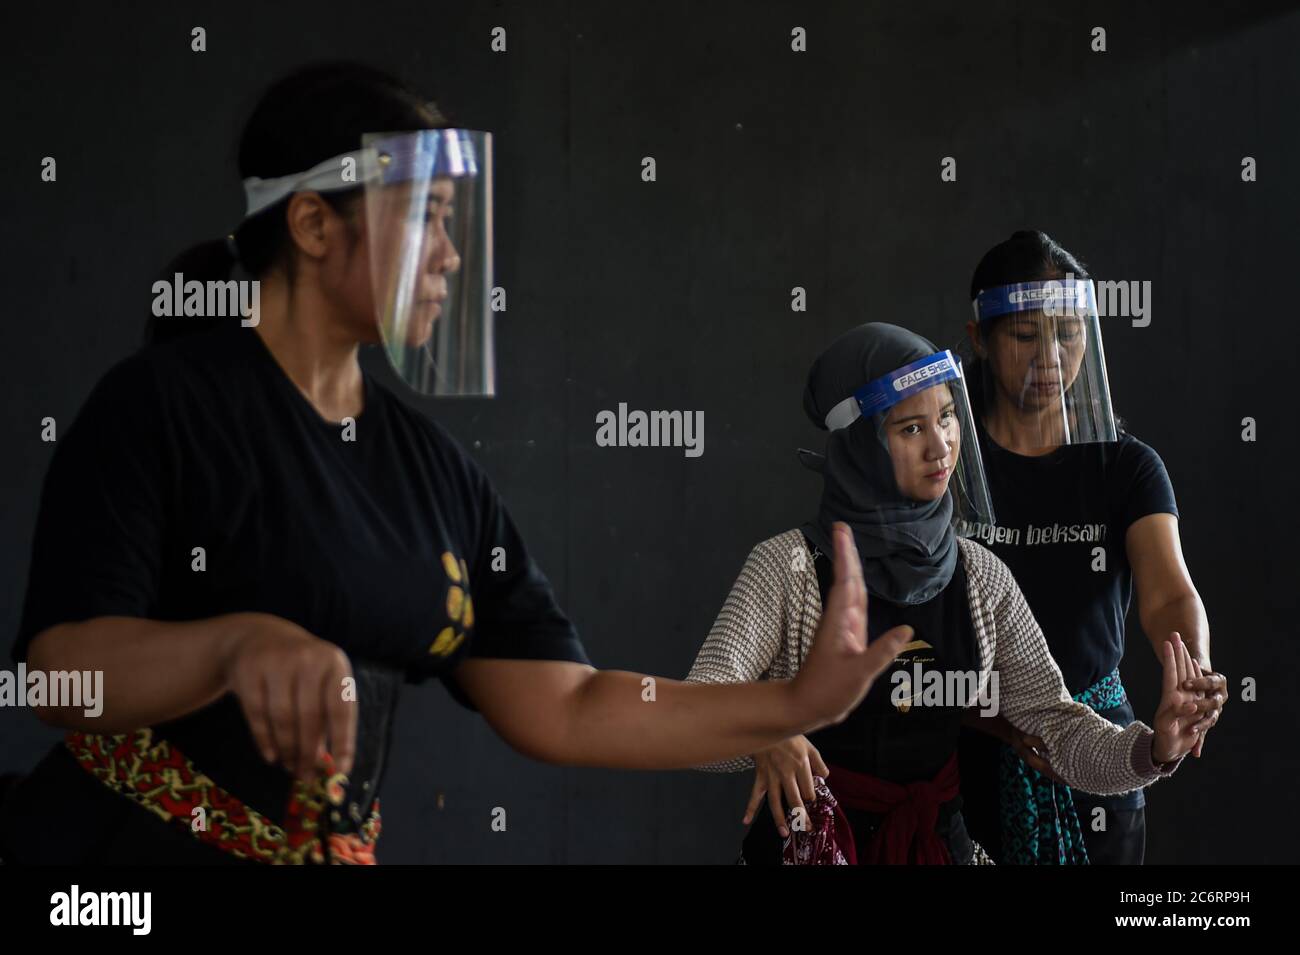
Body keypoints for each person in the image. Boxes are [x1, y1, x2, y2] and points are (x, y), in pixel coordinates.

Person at [0, 62, 901, 865]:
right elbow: (57, 672)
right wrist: (229, 646)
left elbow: (567, 704)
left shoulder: (426, 470)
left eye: (449, 219)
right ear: (313, 223)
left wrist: (790, 703)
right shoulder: (162, 406)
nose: (452, 255)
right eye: (426, 218)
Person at [685, 322, 1210, 865]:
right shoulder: (787, 567)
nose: (941, 445)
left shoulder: (979, 575)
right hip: (807, 850)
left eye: (947, 417)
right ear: (861, 445)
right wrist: (765, 731)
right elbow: (689, 718)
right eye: (911, 429)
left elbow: (1056, 726)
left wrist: (1154, 748)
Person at [954, 230, 1226, 865]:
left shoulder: (1126, 467)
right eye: (1025, 336)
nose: (1050, 357)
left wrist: (1191, 674)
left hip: (1098, 755)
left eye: (1069, 333)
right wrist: (999, 722)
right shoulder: (944, 460)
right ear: (979, 339)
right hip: (963, 751)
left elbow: (1169, 592)